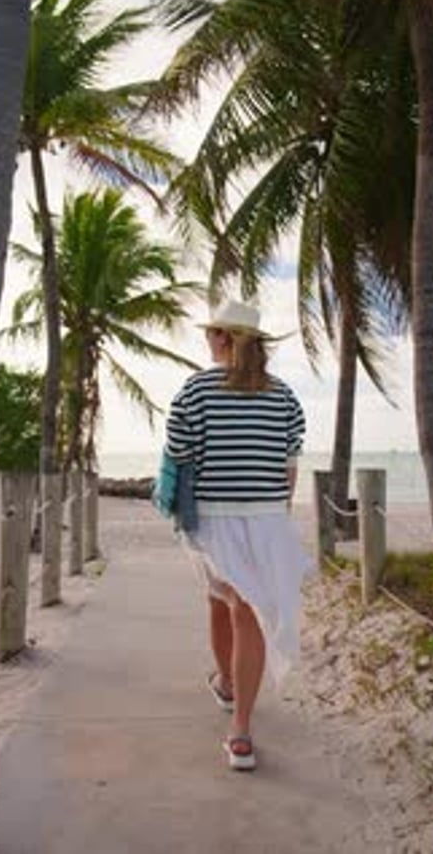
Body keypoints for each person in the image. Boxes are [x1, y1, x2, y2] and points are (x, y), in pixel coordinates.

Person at [165, 300, 310, 771]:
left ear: (225, 339)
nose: (207, 340)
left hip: (214, 520)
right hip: (267, 519)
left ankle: (241, 731)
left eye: (211, 333)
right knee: (235, 607)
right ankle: (228, 686)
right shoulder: (284, 395)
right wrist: (271, 518)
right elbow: (289, 469)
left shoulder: (196, 390)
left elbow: (178, 456)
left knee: (233, 606)